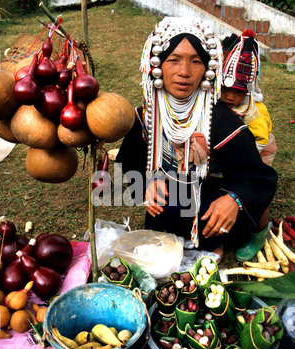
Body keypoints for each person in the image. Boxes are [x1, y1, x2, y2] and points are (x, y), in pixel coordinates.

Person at [116, 17, 278, 262]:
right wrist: (146, 183)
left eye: (196, 61)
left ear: (207, 68)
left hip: (209, 196)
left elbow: (256, 176)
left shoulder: (221, 120)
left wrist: (233, 200)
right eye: (173, 60)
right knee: (167, 202)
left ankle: (219, 242)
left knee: (213, 208)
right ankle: (175, 237)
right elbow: (128, 165)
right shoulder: (145, 117)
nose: (184, 72)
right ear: (156, 64)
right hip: (173, 196)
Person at [220, 30, 277, 260]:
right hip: (236, 152)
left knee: (256, 190)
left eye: (238, 92)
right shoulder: (220, 102)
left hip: (259, 153)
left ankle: (259, 233)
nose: (230, 97)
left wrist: (245, 165)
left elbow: (261, 141)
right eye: (225, 89)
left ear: (248, 90)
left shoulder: (253, 112)